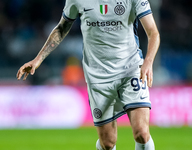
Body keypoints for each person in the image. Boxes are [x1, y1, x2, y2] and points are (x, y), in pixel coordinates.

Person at [17, 0, 160, 149]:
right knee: (108, 143)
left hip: (130, 69)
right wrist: (38, 59)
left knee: (141, 133)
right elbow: (61, 28)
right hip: (98, 77)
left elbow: (153, 32)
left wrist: (148, 62)